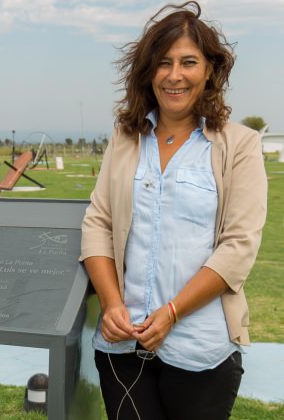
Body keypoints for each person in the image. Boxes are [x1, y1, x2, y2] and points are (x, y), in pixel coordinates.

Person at [80, 2, 267, 419]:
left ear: (209, 71)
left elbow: (238, 248)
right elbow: (98, 222)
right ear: (148, 71)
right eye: (163, 63)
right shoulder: (125, 138)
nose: (174, 75)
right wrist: (112, 305)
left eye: (188, 62)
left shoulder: (239, 145)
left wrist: (171, 313)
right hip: (121, 346)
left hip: (200, 349)